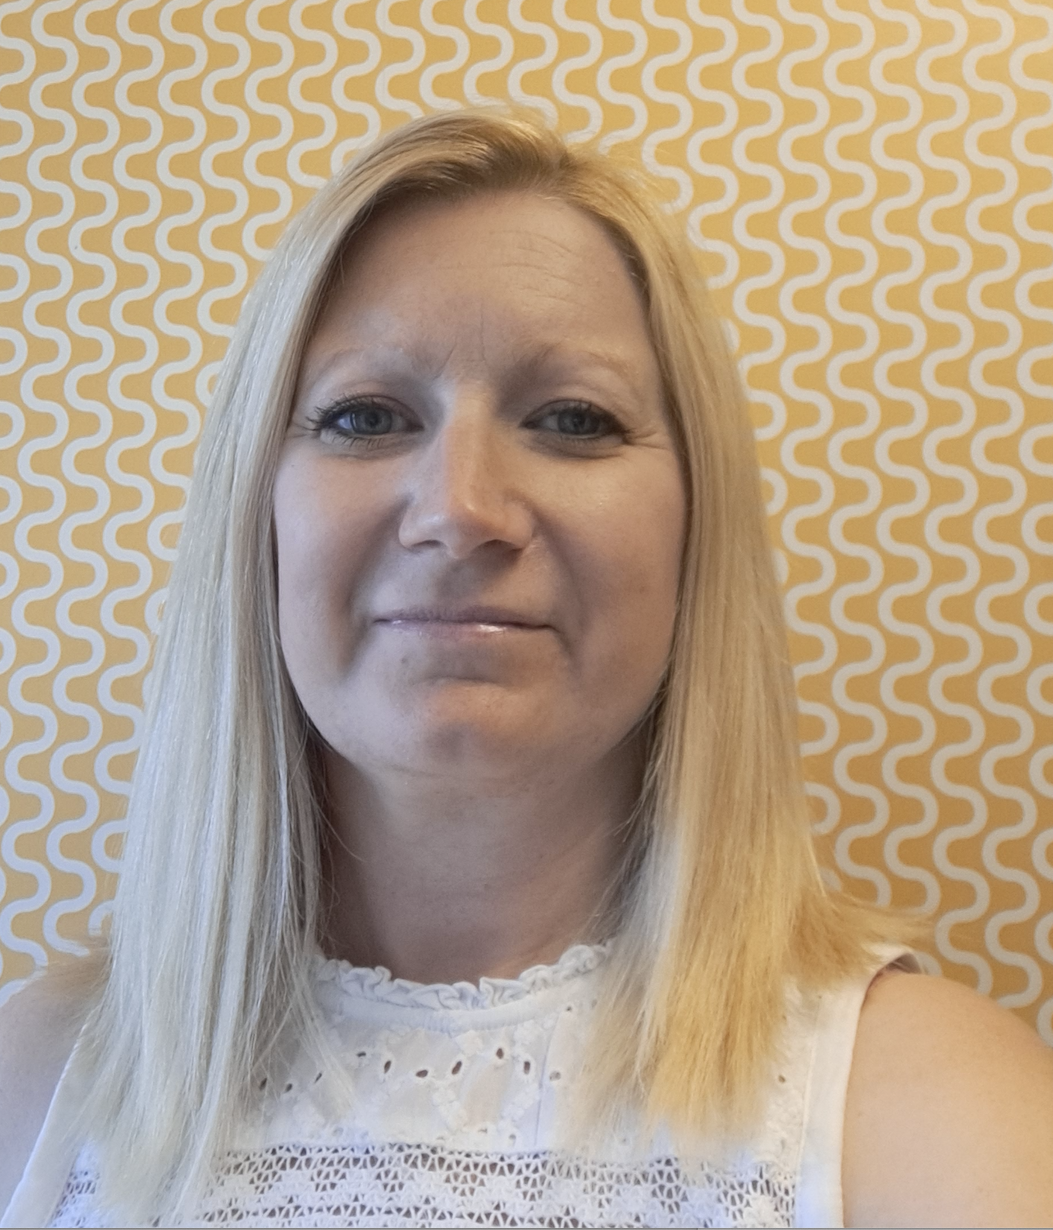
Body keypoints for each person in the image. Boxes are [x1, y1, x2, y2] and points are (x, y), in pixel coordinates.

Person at [1, 109, 1051, 1229]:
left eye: (573, 419)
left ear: (695, 526)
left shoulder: (938, 1114)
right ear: (254, 517)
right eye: (364, 416)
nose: (460, 510)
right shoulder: (34, 1084)